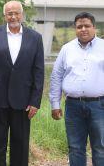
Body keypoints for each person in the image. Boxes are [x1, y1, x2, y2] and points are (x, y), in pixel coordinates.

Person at [0, 0, 44, 166]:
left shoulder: (35, 38)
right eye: (10, 13)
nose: (13, 16)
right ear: (5, 15)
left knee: (20, 146)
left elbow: (38, 71)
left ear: (22, 14)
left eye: (16, 13)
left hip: (23, 101)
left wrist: (35, 101)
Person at [50, 12, 104, 166]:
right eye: (79, 26)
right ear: (75, 29)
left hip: (100, 106)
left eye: (87, 26)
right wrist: (55, 104)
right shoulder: (66, 49)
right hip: (73, 106)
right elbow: (56, 76)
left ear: (94, 27)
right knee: (75, 147)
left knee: (100, 147)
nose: (83, 29)